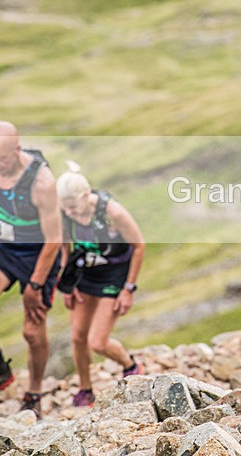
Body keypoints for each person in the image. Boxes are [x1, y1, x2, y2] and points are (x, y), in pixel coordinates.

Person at [56, 163, 145, 407]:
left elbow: (139, 246)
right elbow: (65, 247)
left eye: (74, 207)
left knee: (98, 342)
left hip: (114, 275)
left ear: (86, 195)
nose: (70, 212)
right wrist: (67, 283)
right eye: (65, 208)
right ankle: (85, 390)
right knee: (77, 336)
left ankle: (131, 365)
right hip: (85, 273)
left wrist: (128, 289)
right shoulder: (64, 214)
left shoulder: (112, 213)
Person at [0, 121, 62, 418]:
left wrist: (34, 286)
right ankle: (2, 374)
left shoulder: (42, 183)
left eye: (2, 159)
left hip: (39, 254)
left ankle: (34, 392)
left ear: (17, 149)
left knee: (32, 331)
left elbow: (54, 240)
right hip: (6, 248)